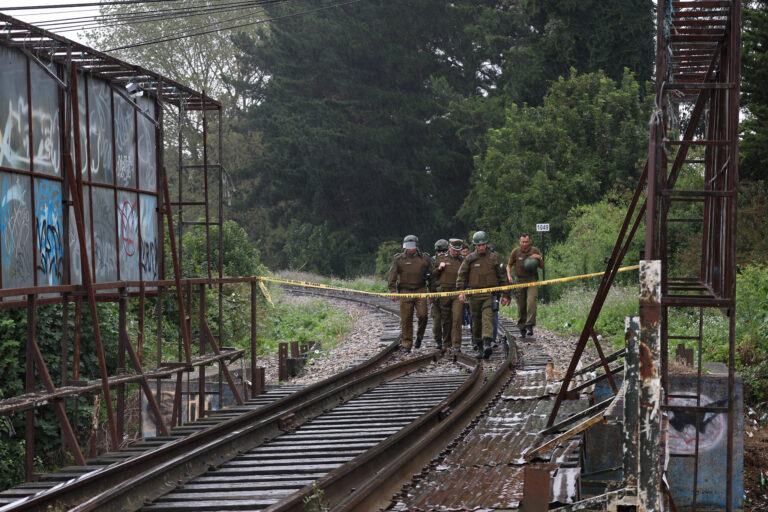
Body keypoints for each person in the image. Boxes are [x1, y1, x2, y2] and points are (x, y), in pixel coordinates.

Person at [457, 231, 510, 359]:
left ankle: (487, 343)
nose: (481, 247)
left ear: (486, 244)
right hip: (474, 295)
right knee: (476, 322)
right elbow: (461, 275)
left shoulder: (495, 258)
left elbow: (503, 277)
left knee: (487, 318)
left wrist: (506, 295)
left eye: (483, 244)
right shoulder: (469, 259)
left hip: (489, 295)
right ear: (475, 245)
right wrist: (461, 291)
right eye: (478, 245)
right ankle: (480, 347)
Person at [388, 235, 433, 352]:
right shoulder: (399, 259)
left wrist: (432, 292)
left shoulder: (425, 258)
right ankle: (406, 344)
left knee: (423, 315)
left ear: (416, 246)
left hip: (420, 290)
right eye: (408, 246)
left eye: (412, 246)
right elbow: (392, 275)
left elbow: (432, 276)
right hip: (405, 291)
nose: (410, 249)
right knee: (406, 318)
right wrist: (393, 291)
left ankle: (419, 336)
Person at [507, 233, 543, 338]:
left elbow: (542, 266)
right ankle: (522, 327)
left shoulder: (534, 250)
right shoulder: (515, 252)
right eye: (522, 242)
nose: (524, 244)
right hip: (519, 281)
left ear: (529, 241)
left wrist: (539, 258)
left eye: (526, 242)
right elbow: (509, 265)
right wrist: (509, 276)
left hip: (532, 280)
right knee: (521, 305)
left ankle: (529, 325)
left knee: (532, 301)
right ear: (519, 242)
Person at [431, 238, 464, 351]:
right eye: (454, 250)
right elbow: (432, 275)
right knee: (446, 320)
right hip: (444, 293)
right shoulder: (441, 259)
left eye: (458, 250)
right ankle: (447, 343)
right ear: (449, 248)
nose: (455, 252)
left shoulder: (462, 261)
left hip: (457, 293)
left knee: (457, 318)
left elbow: (466, 276)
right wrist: (439, 268)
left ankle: (456, 345)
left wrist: (464, 291)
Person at [430, 239, 449, 349]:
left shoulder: (451, 260)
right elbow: (430, 277)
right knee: (436, 321)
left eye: (444, 251)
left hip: (448, 293)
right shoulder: (432, 261)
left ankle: (447, 341)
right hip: (436, 293)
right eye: (439, 251)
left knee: (447, 320)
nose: (442, 253)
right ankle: (438, 340)